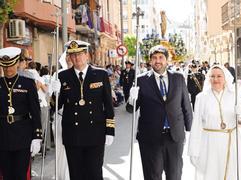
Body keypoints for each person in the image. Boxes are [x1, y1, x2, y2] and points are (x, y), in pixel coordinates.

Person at [129, 45, 193, 180]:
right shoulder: (141, 80)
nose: (157, 61)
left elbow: (186, 105)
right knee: (153, 175)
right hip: (150, 137)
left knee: (174, 175)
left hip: (174, 136)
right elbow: (131, 109)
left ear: (166, 60)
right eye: (154, 58)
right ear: (150, 61)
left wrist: (190, 130)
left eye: (161, 57)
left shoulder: (178, 78)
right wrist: (131, 98)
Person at [56, 40, 115, 180]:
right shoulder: (63, 76)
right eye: (73, 55)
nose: (77, 58)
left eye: (80, 54)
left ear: (87, 55)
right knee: (76, 174)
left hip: (95, 133)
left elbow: (108, 105)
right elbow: (57, 106)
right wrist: (53, 93)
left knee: (94, 173)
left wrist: (110, 130)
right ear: (69, 57)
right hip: (73, 134)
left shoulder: (101, 74)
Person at [188, 65, 241, 180]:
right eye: (212, 76)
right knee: (211, 174)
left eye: (219, 76)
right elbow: (197, 125)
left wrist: (240, 115)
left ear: (225, 78)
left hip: (231, 141)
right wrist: (193, 150)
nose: (216, 79)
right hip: (210, 143)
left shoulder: (234, 95)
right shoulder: (201, 97)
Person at [0, 47, 42, 180]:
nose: (8, 69)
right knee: (6, 175)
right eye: (4, 66)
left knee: (20, 174)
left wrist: (37, 136)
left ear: (17, 63)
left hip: (23, 136)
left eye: (11, 65)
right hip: (2, 135)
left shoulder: (28, 83)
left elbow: (35, 111)